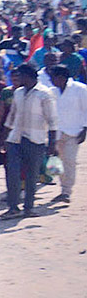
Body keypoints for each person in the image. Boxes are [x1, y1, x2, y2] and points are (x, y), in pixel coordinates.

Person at [0, 63, 58, 218]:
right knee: (13, 173)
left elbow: (52, 121)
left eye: (20, 75)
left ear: (28, 76)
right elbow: (12, 116)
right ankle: (13, 207)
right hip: (15, 138)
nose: (17, 79)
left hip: (35, 140)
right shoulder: (18, 93)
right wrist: (3, 136)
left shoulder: (44, 94)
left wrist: (52, 144)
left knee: (32, 175)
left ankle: (28, 207)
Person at [49, 64, 87, 204]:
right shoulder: (52, 91)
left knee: (70, 161)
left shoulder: (80, 89)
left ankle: (66, 191)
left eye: (53, 77)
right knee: (58, 161)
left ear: (61, 77)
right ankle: (63, 187)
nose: (52, 80)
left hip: (74, 131)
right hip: (57, 132)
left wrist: (85, 129)